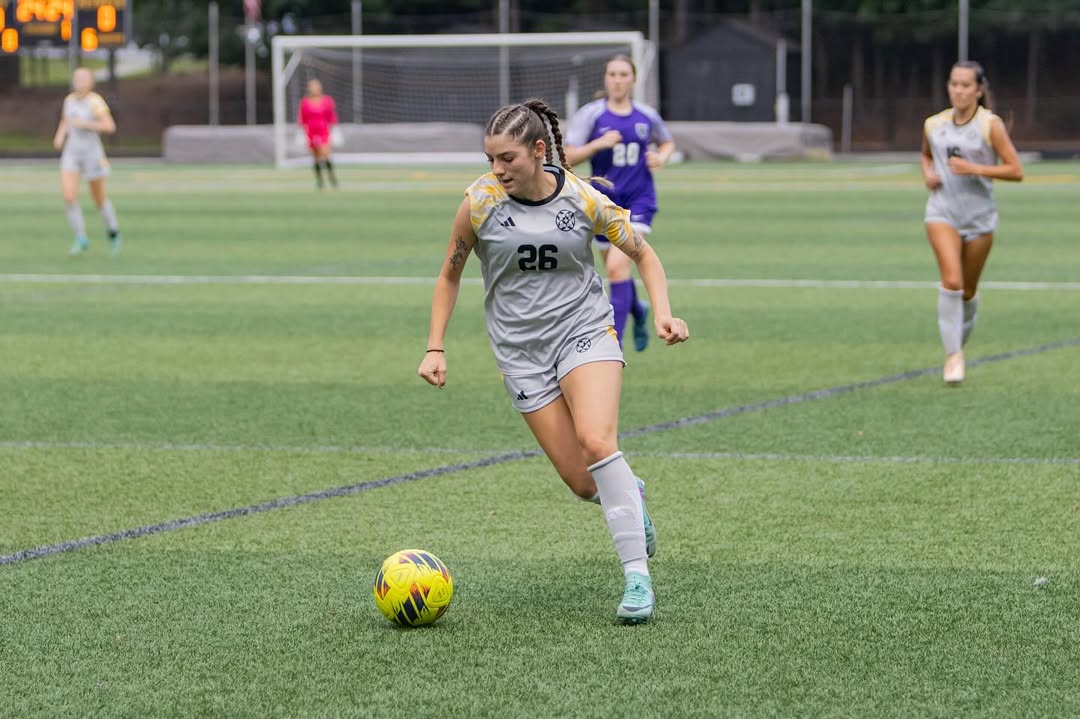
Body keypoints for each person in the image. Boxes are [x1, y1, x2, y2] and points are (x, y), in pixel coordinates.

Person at [417, 98, 689, 625]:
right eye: (490, 158)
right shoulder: (479, 203)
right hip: (521, 354)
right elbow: (449, 274)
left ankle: (637, 576)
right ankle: (629, 493)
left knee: (597, 441)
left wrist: (664, 313)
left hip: (584, 332)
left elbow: (643, 254)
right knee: (583, 482)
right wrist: (435, 346)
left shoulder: (583, 199)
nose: (497, 169)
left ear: (539, 151)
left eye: (508, 158)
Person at [564, 55, 676, 352]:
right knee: (618, 272)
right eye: (612, 74)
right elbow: (568, 157)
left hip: (639, 200)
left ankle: (616, 345)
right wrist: (597, 145)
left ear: (633, 79)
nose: (617, 80)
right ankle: (638, 310)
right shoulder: (591, 115)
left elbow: (667, 142)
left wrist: (661, 157)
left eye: (624, 74)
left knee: (616, 267)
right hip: (603, 203)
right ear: (605, 78)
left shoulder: (646, 115)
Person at [922, 60, 1023, 384]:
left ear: (978, 90)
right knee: (952, 282)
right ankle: (953, 356)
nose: (958, 91)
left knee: (967, 291)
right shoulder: (934, 124)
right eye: (954, 84)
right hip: (942, 212)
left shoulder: (989, 125)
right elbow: (926, 155)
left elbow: (1015, 170)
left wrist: (975, 168)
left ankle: (957, 343)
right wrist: (928, 173)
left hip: (979, 217)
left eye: (965, 85)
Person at [52, 67, 122, 256]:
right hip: (72, 153)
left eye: (83, 78)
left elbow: (109, 126)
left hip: (92, 154)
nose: (79, 81)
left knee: (98, 198)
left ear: (91, 82)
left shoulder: (95, 102)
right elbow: (66, 121)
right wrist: (60, 136)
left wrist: (85, 124)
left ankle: (113, 231)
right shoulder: (69, 100)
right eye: (77, 77)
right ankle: (81, 237)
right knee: (68, 196)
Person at [298, 79, 339, 189]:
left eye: (315, 86)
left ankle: (332, 178)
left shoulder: (327, 101)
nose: (313, 89)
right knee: (315, 157)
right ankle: (320, 181)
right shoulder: (305, 102)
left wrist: (332, 133)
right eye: (311, 87)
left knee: (325, 154)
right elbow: (303, 120)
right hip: (311, 132)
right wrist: (304, 135)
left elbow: (331, 118)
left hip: (323, 131)